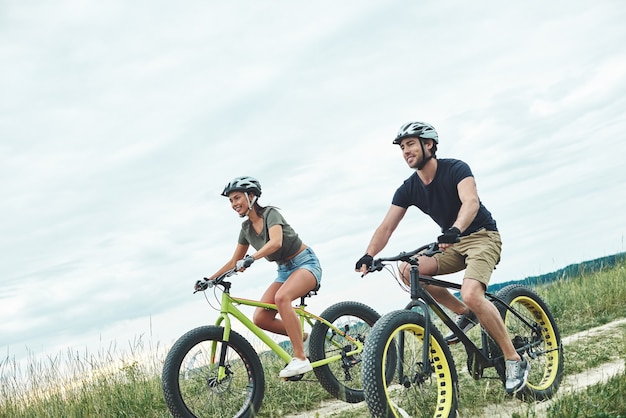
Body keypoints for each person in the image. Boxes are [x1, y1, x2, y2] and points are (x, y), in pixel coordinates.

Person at [355, 121, 531, 395]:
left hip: (482, 236)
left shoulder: (456, 168)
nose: (406, 151)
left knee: (472, 293)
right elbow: (386, 227)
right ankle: (465, 313)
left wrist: (455, 230)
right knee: (408, 270)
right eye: (402, 148)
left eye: (410, 144)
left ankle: (513, 359)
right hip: (451, 244)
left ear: (429, 145)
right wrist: (369, 254)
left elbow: (470, 202)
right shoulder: (409, 188)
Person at [200, 176, 322, 378]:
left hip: (305, 263)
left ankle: (300, 358)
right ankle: (305, 339)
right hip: (284, 271)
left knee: (282, 298)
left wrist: (252, 258)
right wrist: (210, 279)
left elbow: (276, 242)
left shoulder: (270, 214)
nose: (233, 204)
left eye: (237, 198)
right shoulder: (246, 229)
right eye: (231, 201)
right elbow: (234, 262)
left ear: (251, 196)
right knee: (261, 318)